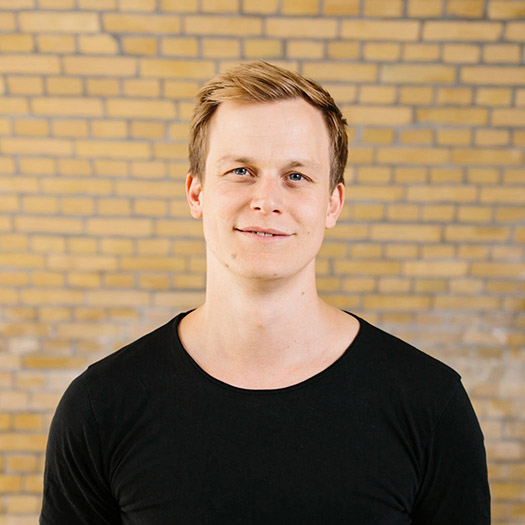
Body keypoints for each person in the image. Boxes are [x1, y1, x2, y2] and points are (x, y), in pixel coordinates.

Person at [40, 61, 490, 524]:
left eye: (296, 176)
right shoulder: (100, 406)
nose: (266, 200)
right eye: (241, 170)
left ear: (332, 204)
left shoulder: (430, 404)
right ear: (196, 193)